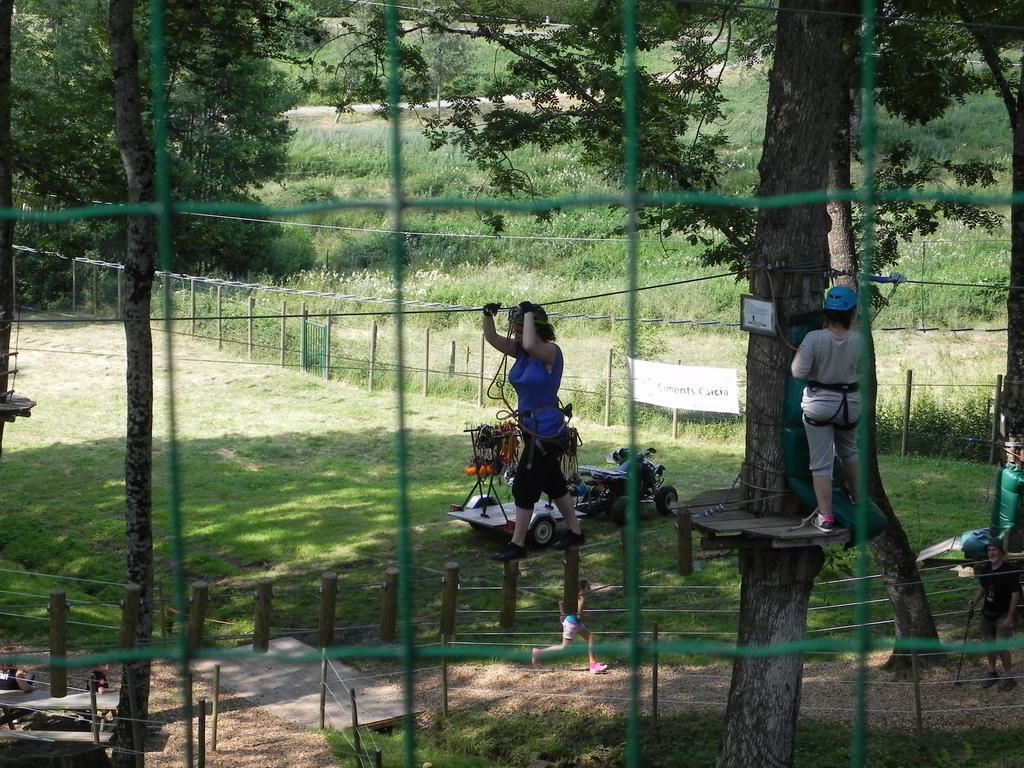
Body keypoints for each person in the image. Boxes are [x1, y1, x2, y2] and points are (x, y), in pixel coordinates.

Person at [482, 301, 584, 562]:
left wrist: (526, 314)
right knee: (553, 482)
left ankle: (517, 544)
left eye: (519, 328)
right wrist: (488, 316)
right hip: (531, 428)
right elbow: (492, 338)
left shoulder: (550, 352)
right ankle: (575, 532)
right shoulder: (523, 352)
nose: (516, 335)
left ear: (534, 327)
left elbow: (529, 343)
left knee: (525, 485)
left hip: (548, 431)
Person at [790, 285, 863, 532]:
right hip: (849, 404)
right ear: (851, 313)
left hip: (820, 405)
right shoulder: (859, 340)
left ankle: (826, 517)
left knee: (821, 463)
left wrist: (803, 354)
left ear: (827, 312)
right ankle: (860, 501)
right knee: (850, 452)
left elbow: (797, 372)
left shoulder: (813, 339)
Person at [968, 539, 1021, 690]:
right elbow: (982, 588)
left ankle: (1009, 676)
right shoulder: (987, 569)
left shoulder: (1009, 571)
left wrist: (1010, 617)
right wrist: (974, 600)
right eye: (989, 550)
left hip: (1003, 614)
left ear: (1001, 552)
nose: (991, 552)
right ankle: (992, 672)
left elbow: (1015, 595)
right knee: (989, 643)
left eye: (994, 550)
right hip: (987, 613)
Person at [531, 579, 607, 673]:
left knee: (590, 638)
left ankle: (593, 664)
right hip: (572, 624)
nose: (589, 588)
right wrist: (587, 618)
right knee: (564, 647)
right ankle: (538, 652)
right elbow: (578, 615)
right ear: (583, 587)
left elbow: (561, 602)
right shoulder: (581, 598)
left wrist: (563, 615)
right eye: (588, 586)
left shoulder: (573, 596)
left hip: (574, 623)